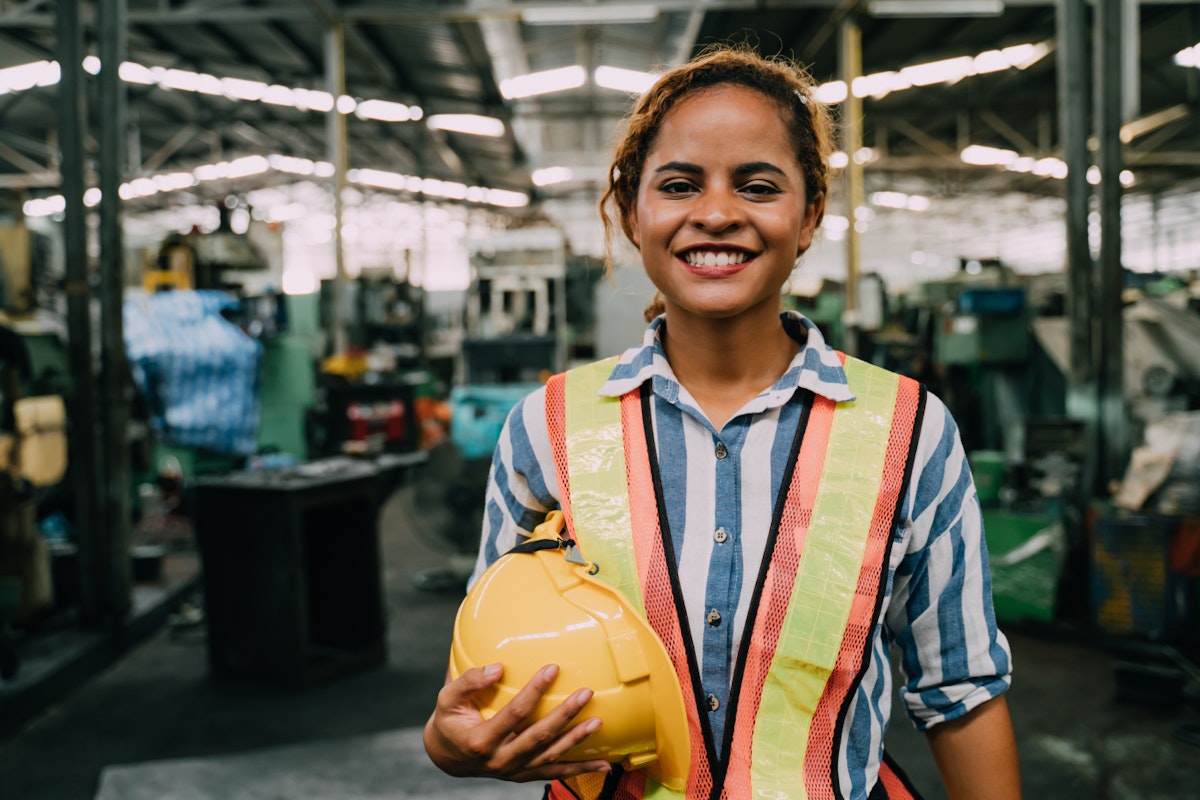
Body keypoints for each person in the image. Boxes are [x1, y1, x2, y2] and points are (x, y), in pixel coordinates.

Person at [424, 44, 1020, 799]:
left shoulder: (910, 431)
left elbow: (960, 692)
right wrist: (449, 743)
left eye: (757, 185)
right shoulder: (545, 429)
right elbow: (482, 680)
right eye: (678, 185)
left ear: (809, 217)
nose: (715, 213)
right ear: (632, 213)